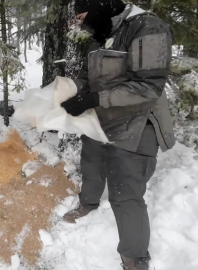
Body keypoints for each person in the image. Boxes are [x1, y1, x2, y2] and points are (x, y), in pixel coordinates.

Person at [60, 1, 176, 269]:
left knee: (125, 193)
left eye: (82, 16)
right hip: (103, 119)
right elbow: (88, 76)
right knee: (90, 163)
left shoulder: (146, 27)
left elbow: (148, 88)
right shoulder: (104, 32)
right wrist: (68, 91)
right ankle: (88, 203)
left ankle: (134, 257)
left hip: (137, 124)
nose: (81, 23)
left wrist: (94, 99)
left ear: (99, 7)